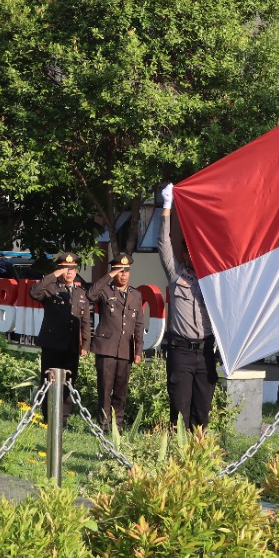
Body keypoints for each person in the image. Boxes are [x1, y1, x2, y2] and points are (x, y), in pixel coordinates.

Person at [158, 183, 217, 430]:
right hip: (181, 351)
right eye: (190, 251)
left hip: (205, 353)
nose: (194, 256)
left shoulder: (214, 281)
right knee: (180, 411)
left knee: (202, 411)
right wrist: (167, 206)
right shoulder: (176, 274)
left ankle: (199, 451)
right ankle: (178, 450)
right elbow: (163, 244)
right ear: (184, 253)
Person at [83, 253, 148, 431]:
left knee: (121, 390)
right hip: (106, 348)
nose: (124, 274)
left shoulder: (135, 295)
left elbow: (139, 324)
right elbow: (90, 295)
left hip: (126, 350)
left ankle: (117, 425)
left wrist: (138, 350)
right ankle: (103, 424)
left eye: (126, 271)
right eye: (120, 271)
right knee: (105, 389)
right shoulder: (106, 291)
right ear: (114, 272)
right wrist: (109, 275)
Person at [30, 251, 89, 395]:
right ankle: (47, 410)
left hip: (72, 346)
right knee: (48, 383)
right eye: (65, 269)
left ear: (76, 271)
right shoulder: (51, 289)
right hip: (53, 344)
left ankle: (65, 410)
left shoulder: (81, 293)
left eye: (72, 269)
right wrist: (54, 275)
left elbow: (85, 321)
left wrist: (85, 345)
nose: (69, 272)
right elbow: (34, 292)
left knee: (68, 384)